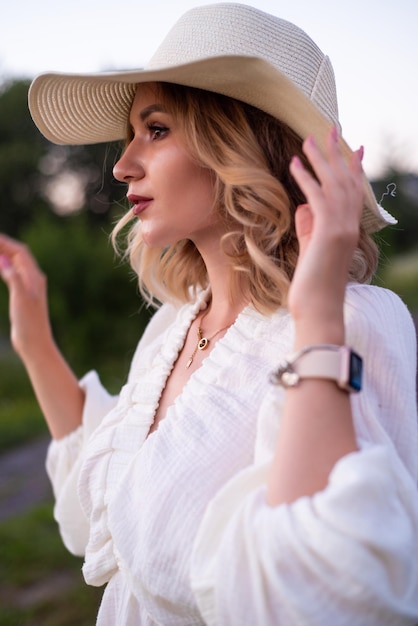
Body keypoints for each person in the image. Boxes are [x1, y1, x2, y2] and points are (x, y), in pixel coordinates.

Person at [1, 3, 418, 624]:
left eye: (157, 129)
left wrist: (318, 323)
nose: (121, 165)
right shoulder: (174, 326)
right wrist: (33, 335)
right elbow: (97, 512)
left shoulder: (355, 321)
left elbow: (337, 593)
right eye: (129, 136)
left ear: (237, 141)